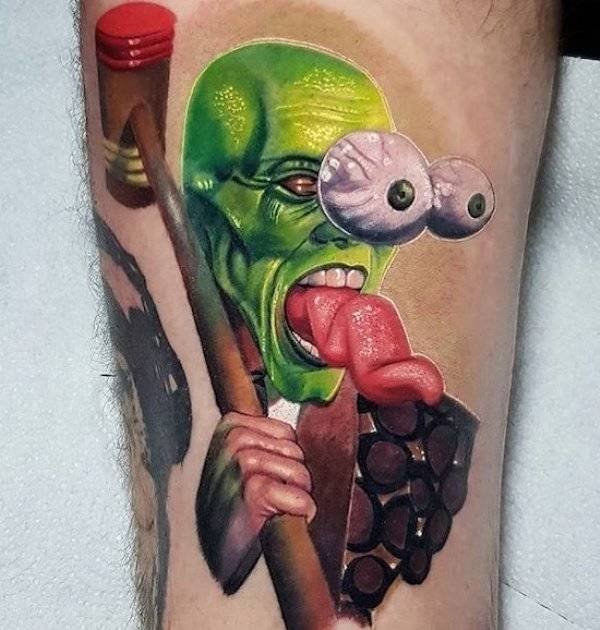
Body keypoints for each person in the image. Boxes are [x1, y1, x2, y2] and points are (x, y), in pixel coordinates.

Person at [80, 1, 560, 628]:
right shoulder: (171, 383)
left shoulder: (430, 449)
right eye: (303, 188)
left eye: (385, 195)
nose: (350, 230)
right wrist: (221, 538)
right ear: (210, 220)